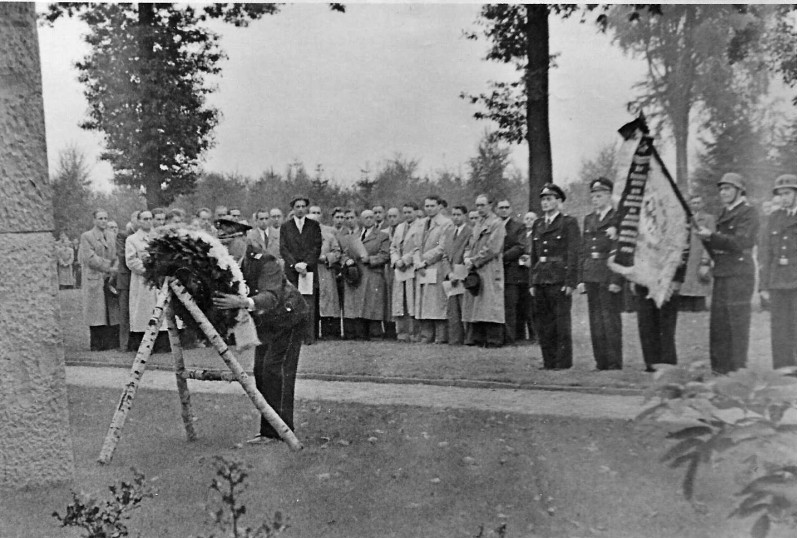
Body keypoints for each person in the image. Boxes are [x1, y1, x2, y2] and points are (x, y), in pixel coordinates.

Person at [212, 216, 308, 445]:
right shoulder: (226, 265)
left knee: (276, 370)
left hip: (289, 318)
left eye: (229, 242)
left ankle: (283, 431)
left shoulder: (265, 261)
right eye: (220, 243)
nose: (224, 249)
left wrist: (241, 302)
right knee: (261, 371)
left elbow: (271, 297)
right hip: (266, 323)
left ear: (244, 238)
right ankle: (269, 432)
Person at [696, 172, 759, 375]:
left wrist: (712, 236)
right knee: (719, 323)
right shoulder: (724, 213)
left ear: (740, 190)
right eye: (721, 189)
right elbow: (718, 245)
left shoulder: (748, 212)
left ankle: (737, 369)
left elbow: (741, 242)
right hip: (723, 271)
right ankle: (720, 368)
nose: (723, 193)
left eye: (728, 189)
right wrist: (707, 239)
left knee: (736, 323)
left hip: (739, 273)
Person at [529, 184, 580, 369]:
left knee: (560, 322)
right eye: (543, 199)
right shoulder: (538, 224)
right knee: (544, 323)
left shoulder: (568, 222)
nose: (545, 203)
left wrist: (570, 281)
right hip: (541, 277)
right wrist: (531, 282)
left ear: (559, 201)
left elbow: (573, 253)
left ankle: (563, 362)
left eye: (549, 199)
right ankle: (548, 361)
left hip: (559, 278)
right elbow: (534, 255)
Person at [577, 177, 623, 370]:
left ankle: (614, 362)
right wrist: (581, 278)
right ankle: (600, 361)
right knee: (595, 320)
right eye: (593, 196)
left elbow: (620, 250)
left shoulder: (617, 218)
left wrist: (616, 279)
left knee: (609, 319)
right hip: (591, 273)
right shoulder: (589, 219)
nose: (595, 199)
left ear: (609, 196)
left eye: (599, 195)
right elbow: (583, 249)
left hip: (608, 272)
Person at [760, 174, 797, 369]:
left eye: (788, 193)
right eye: (781, 194)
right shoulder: (774, 217)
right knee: (779, 325)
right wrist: (763, 284)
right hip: (777, 279)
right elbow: (766, 253)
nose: (784, 198)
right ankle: (783, 366)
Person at [462, 194, 506, 347]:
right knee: (478, 304)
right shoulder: (478, 224)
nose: (479, 208)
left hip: (490, 268)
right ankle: (478, 338)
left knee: (491, 305)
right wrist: (467, 257)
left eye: (482, 205)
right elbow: (470, 244)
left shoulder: (497, 223)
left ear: (490, 205)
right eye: (477, 205)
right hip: (477, 269)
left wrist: (474, 261)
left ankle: (494, 339)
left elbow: (493, 248)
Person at [280, 196, 322, 344]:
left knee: (308, 303)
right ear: (293, 208)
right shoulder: (285, 227)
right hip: (292, 271)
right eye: (297, 206)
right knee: (291, 302)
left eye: (303, 206)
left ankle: (308, 337)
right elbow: (283, 248)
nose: (300, 209)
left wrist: (306, 264)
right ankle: (293, 336)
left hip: (308, 271)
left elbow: (316, 247)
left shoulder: (314, 225)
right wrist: (294, 265)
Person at [126, 210, 170, 353]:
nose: (148, 221)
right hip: (143, 281)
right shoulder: (132, 239)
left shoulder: (159, 237)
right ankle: (143, 345)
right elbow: (131, 261)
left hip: (159, 279)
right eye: (145, 219)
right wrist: (149, 270)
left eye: (150, 218)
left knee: (160, 310)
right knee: (143, 312)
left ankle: (161, 344)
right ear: (138, 221)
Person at [342, 210, 390, 339]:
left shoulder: (382, 236)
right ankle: (360, 334)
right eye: (365, 218)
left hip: (373, 274)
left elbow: (385, 255)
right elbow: (345, 253)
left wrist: (371, 260)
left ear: (375, 219)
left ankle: (375, 333)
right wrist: (347, 260)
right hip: (357, 275)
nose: (368, 220)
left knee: (373, 305)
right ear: (360, 220)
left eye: (371, 217)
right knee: (358, 305)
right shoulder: (354, 236)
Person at [415, 196, 454, 344]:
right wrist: (418, 261)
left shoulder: (446, 224)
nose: (429, 208)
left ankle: (440, 337)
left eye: (432, 206)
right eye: (427, 206)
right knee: (425, 302)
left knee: (437, 303)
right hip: (423, 267)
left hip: (436, 266)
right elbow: (416, 245)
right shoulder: (422, 224)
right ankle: (426, 336)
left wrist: (425, 259)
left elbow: (441, 247)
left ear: (439, 207)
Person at [79, 209, 119, 351]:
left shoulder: (111, 235)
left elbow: (115, 255)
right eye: (100, 218)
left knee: (110, 310)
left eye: (105, 218)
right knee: (96, 312)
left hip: (109, 278)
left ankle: (110, 343)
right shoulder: (87, 236)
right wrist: (109, 267)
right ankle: (96, 344)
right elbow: (90, 258)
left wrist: (115, 267)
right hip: (95, 277)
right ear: (94, 220)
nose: (103, 221)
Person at [309, 206, 343, 339]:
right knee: (311, 301)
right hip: (309, 273)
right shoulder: (301, 238)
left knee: (327, 302)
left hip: (325, 271)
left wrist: (327, 258)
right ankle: (312, 332)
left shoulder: (328, 236)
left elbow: (337, 252)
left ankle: (329, 332)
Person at [496, 199, 526, 345]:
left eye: (506, 207)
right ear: (496, 209)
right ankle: (497, 336)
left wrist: (502, 257)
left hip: (511, 272)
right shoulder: (493, 225)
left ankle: (510, 338)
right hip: (494, 272)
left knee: (510, 306)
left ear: (511, 209)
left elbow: (520, 246)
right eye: (501, 208)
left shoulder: (518, 227)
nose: (504, 210)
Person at [390, 203, 421, 341]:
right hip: (399, 269)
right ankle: (401, 332)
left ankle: (414, 332)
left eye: (410, 212)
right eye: (405, 212)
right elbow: (393, 247)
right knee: (399, 301)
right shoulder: (400, 227)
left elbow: (418, 247)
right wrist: (396, 260)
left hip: (412, 267)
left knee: (412, 300)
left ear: (415, 212)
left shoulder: (421, 226)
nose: (407, 215)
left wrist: (406, 260)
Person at [679, 194, 715, 312]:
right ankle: (685, 306)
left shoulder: (708, 219)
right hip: (687, 255)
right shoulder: (685, 218)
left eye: (698, 202)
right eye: (693, 203)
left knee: (699, 282)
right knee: (686, 282)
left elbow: (711, 240)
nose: (696, 205)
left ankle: (699, 307)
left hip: (699, 254)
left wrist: (706, 258)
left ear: (703, 204)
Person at [445, 205, 471, 345]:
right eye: (453, 214)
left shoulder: (469, 232)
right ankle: (455, 339)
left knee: (464, 306)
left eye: (458, 214)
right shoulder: (449, 232)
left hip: (463, 273)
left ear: (464, 216)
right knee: (453, 308)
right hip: (451, 274)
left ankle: (468, 338)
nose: (455, 217)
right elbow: (444, 254)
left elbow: (468, 250)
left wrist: (457, 272)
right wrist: (449, 273)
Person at [117, 211, 139, 351]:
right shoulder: (123, 235)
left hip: (139, 279)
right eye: (137, 219)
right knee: (125, 313)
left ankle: (137, 342)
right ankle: (124, 344)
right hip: (126, 277)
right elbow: (122, 255)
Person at [518, 211, 538, 342]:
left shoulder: (538, 234)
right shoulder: (521, 235)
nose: (529, 221)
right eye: (527, 218)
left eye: (532, 219)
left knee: (532, 306)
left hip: (533, 271)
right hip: (521, 273)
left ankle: (534, 334)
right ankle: (521, 334)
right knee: (522, 305)